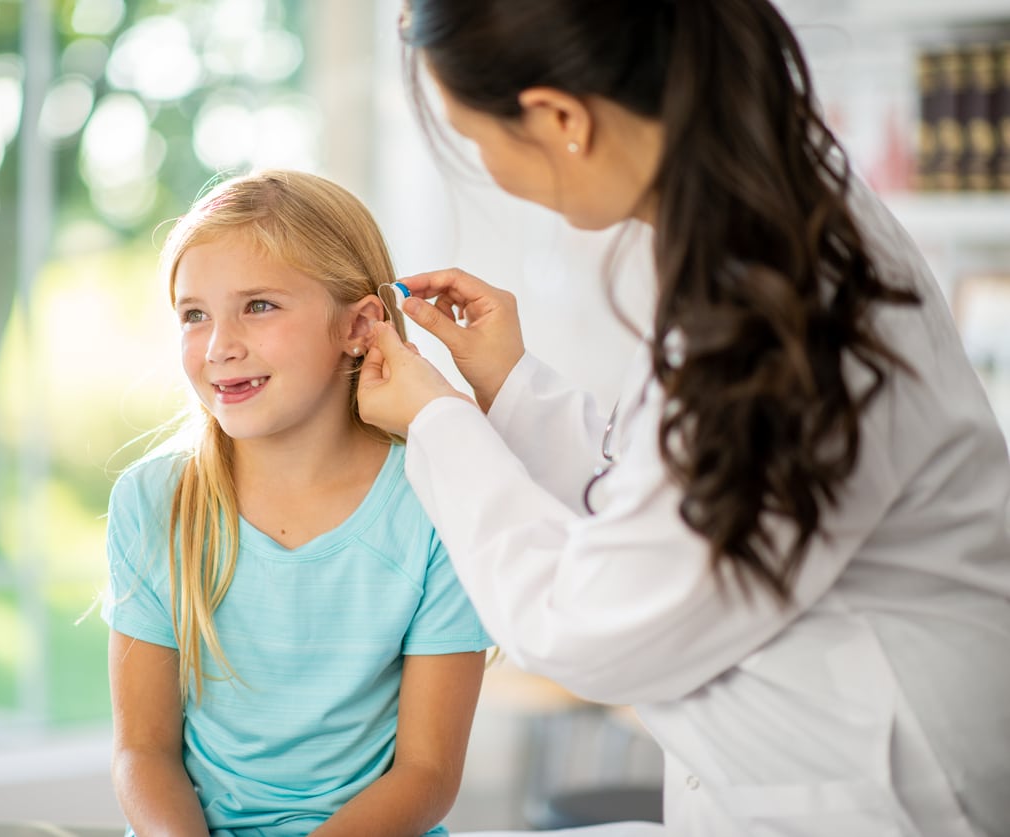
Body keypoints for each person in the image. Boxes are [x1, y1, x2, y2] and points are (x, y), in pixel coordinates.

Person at [356, 1, 1010, 835]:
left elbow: (586, 625)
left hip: (892, 795)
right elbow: (663, 501)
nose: (490, 168)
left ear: (560, 118)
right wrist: (505, 387)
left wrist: (440, 424)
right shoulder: (759, 225)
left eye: (476, 139)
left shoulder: (783, 290)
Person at [102, 169, 492, 837]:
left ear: (359, 325)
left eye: (258, 305)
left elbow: (427, 772)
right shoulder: (153, 501)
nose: (219, 345)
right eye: (194, 314)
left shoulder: (434, 500)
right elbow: (143, 751)